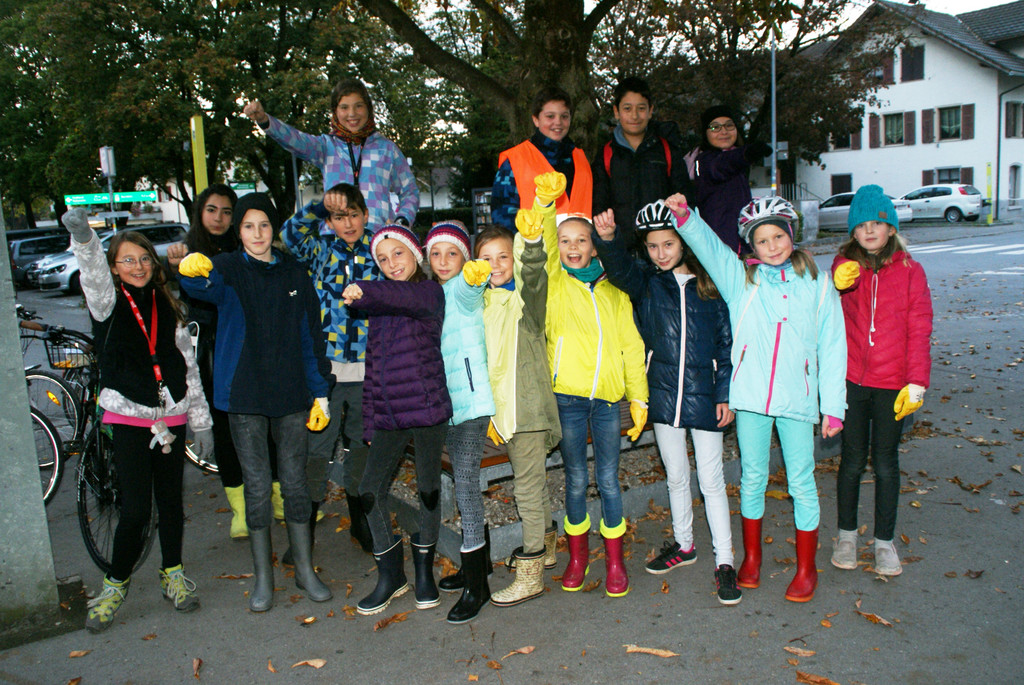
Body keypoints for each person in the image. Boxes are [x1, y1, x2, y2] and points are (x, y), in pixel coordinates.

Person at [669, 193, 846, 602]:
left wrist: (832, 406)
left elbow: (834, 347)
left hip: (798, 400)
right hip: (750, 399)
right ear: (751, 246)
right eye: (761, 240)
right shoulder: (741, 281)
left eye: (778, 237)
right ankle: (751, 559)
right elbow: (710, 248)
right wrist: (685, 219)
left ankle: (806, 568)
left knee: (802, 482)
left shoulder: (819, 287)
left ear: (791, 235)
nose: (772, 246)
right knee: (752, 480)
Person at [178, 192, 333, 613]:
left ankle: (304, 568)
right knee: (258, 486)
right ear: (238, 230)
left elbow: (310, 335)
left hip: (291, 393)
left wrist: (321, 391)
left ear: (274, 229)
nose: (258, 233)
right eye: (248, 225)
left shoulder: (294, 273)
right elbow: (197, 286)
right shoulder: (227, 268)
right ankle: (264, 578)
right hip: (244, 394)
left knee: (295, 480)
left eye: (264, 225)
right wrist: (189, 269)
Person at [61, 208, 213, 633]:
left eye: (145, 258)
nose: (139, 266)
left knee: (170, 503)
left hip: (173, 415)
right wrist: (86, 240)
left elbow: (189, 365)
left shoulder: (170, 303)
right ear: (114, 266)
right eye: (127, 260)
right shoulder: (108, 301)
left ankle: (173, 574)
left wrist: (200, 422)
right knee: (134, 511)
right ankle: (114, 585)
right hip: (129, 417)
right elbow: (91, 271)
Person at [592, 200, 741, 605]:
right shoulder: (647, 282)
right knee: (676, 475)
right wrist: (606, 240)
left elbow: (727, 344)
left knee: (711, 481)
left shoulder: (710, 286)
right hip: (662, 394)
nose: (660, 253)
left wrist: (725, 393)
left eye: (668, 244)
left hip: (706, 396)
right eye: (653, 246)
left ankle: (725, 560)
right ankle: (685, 544)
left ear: (684, 243)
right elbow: (620, 269)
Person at [534, 172, 649, 599]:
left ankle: (615, 560)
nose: (573, 247)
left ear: (594, 244)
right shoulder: (553, 283)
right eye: (566, 241)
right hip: (566, 397)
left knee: (609, 477)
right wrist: (547, 208)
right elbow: (542, 245)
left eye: (582, 240)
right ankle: (578, 557)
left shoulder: (614, 290)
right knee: (577, 479)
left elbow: (631, 345)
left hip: (606, 401)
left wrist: (638, 397)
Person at [340, 225, 452, 616]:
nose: (391, 265)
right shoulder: (381, 307)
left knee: (428, 491)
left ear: (414, 254)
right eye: (382, 260)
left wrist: (365, 290)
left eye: (398, 255)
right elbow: (373, 370)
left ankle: (424, 572)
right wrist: (369, 423)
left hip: (426, 409)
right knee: (369, 489)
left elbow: (400, 295)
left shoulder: (426, 292)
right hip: (389, 413)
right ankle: (391, 574)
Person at [830, 185, 932, 577]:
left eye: (878, 223)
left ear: (891, 227)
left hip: (893, 383)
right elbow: (829, 317)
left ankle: (885, 542)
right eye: (862, 225)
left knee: (886, 462)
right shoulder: (845, 266)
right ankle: (846, 536)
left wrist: (916, 381)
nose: (870, 230)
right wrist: (838, 283)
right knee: (852, 460)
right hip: (853, 380)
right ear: (853, 231)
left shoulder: (910, 271)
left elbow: (919, 327)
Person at [279, 182, 381, 556]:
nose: (349, 222)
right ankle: (303, 530)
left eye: (354, 214)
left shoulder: (379, 250)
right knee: (317, 448)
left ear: (366, 215)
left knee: (361, 448)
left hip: (369, 371)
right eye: (340, 216)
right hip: (328, 374)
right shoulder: (320, 251)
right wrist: (319, 208)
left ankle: (361, 521)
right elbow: (290, 235)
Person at [476, 219, 561, 609]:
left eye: (503, 257)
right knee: (535, 484)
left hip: (526, 410)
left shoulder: (524, 304)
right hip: (504, 411)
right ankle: (546, 549)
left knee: (525, 489)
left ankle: (530, 575)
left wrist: (531, 245)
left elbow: (535, 278)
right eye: (486, 258)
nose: (496, 265)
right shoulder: (479, 303)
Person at [166, 184, 254, 541]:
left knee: (267, 421)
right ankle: (240, 508)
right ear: (200, 212)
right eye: (212, 210)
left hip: (251, 345)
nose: (219, 218)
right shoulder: (186, 253)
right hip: (211, 352)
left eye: (227, 211)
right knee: (225, 428)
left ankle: (279, 496)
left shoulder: (246, 246)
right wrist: (177, 269)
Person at [422, 220, 496, 623]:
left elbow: (470, 293)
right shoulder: (430, 293)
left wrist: (474, 276)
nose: (444, 260)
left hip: (471, 401)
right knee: (460, 482)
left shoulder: (464, 290)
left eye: (453, 253)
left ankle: (477, 587)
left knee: (466, 483)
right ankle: (478, 566)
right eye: (436, 253)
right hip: (446, 404)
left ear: (465, 257)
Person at [242, 78, 418, 229]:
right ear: (335, 111)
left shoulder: (387, 149)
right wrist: (265, 121)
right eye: (344, 107)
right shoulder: (326, 147)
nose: (352, 114)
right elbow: (296, 140)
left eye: (359, 106)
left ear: (369, 108)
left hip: (376, 241)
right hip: (334, 240)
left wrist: (401, 223)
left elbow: (409, 191)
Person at [591, 77, 694, 257]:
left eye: (641, 108)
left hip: (661, 252)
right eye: (627, 108)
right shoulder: (606, 154)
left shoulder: (667, 150)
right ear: (616, 112)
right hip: (622, 253)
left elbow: (685, 199)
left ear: (650, 111)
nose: (634, 116)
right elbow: (599, 205)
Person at [491, 86, 592, 232]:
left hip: (577, 251)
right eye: (550, 116)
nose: (558, 122)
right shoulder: (514, 161)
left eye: (564, 116)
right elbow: (503, 220)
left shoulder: (581, 159)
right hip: (535, 252)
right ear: (536, 120)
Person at [692, 106, 772, 254]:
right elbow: (723, 165)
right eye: (715, 127)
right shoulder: (705, 161)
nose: (724, 131)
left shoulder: (738, 163)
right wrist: (748, 153)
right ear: (705, 133)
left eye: (729, 125)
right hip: (721, 249)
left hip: (744, 245)